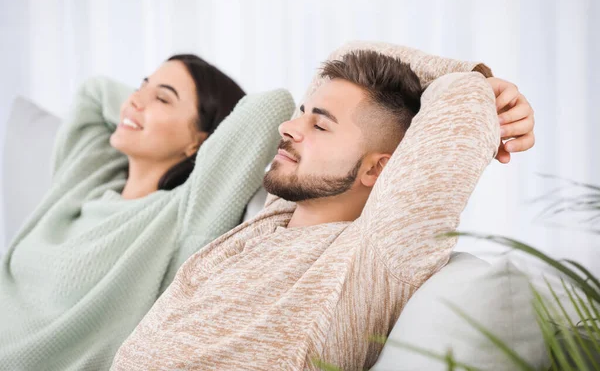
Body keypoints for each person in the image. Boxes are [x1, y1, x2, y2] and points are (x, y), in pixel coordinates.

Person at [111, 47, 535, 370]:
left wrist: (480, 85)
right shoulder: (271, 218)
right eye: (301, 113)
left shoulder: (377, 250)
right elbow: (343, 54)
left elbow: (461, 99)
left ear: (377, 169)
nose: (289, 128)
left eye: (320, 124)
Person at [0, 54, 296, 370]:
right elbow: (92, 92)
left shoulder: (186, 213)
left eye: (163, 98)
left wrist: (144, 113)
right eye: (141, 86)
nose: (135, 99)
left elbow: (273, 106)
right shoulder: (88, 177)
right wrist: (141, 108)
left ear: (199, 140)